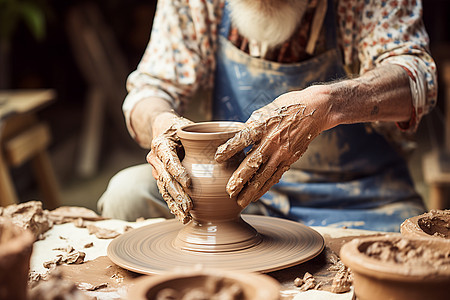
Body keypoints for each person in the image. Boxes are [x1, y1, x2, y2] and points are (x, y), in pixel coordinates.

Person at [97, 0, 437, 232]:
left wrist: (327, 103)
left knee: (410, 261)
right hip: (236, 193)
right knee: (127, 194)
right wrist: (159, 123)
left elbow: (416, 76)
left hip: (362, 198)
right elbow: (150, 88)